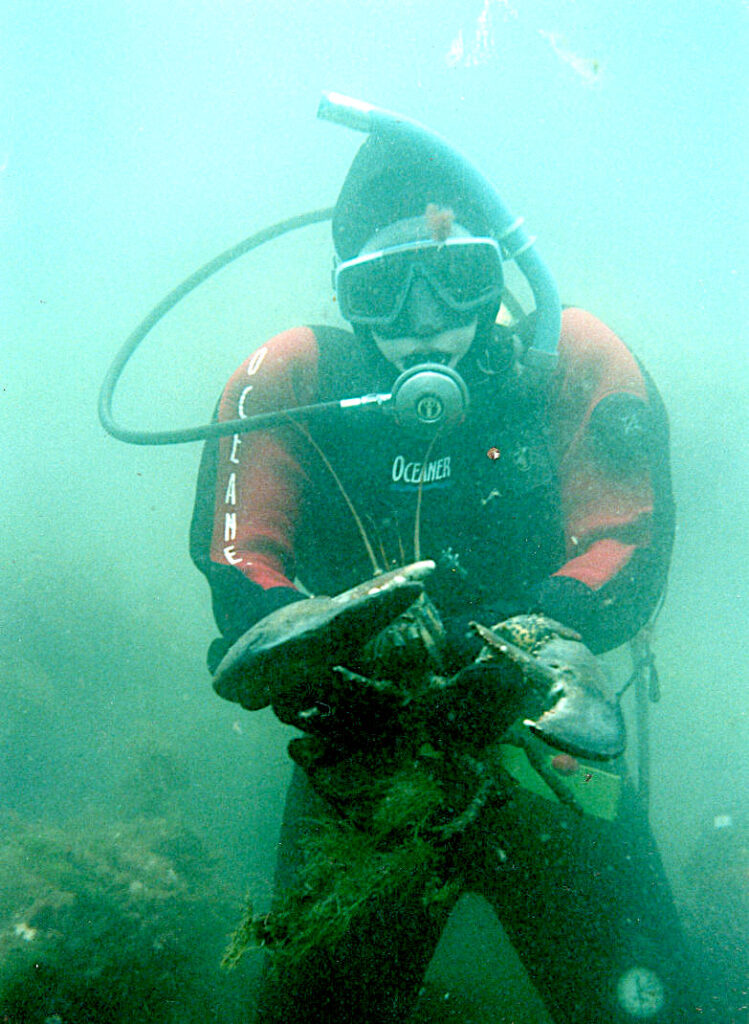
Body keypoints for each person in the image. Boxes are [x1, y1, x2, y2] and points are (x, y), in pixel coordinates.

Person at [190, 128, 706, 1023]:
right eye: (383, 290)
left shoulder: (568, 360)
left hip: (547, 748)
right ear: (347, 295)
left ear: (500, 272)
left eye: (457, 277)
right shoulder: (291, 377)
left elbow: (631, 538)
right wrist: (315, 658)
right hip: (365, 767)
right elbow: (238, 561)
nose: (425, 318)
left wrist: (525, 637)